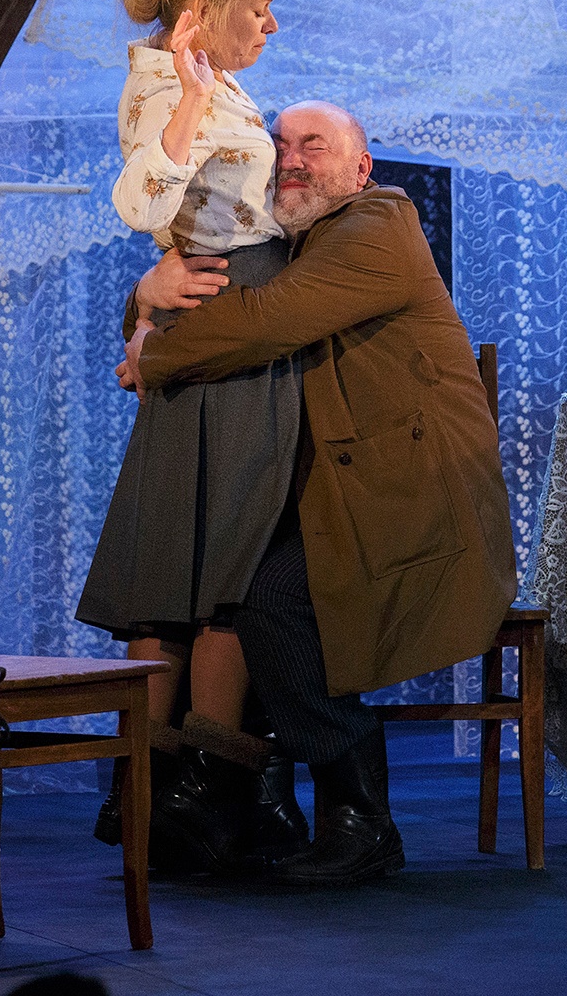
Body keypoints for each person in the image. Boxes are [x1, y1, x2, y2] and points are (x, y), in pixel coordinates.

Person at [120, 100, 518, 885]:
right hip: (342, 502)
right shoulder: (288, 239)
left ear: (361, 169)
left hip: (416, 503)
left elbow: (266, 321)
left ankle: (360, 818)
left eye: (315, 146)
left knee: (267, 597)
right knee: (225, 577)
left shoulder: (377, 224)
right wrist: (146, 295)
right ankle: (240, 801)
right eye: (280, 146)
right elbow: (209, 296)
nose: (292, 159)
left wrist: (154, 356)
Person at [76, 0, 307, 871]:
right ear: (206, 15)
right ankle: (188, 794)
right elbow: (140, 202)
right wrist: (150, 283)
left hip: (222, 314)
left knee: (194, 560)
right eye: (260, 8)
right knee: (217, 567)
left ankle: (157, 792)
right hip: (228, 321)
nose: (273, 24)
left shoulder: (197, 70)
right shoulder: (173, 84)